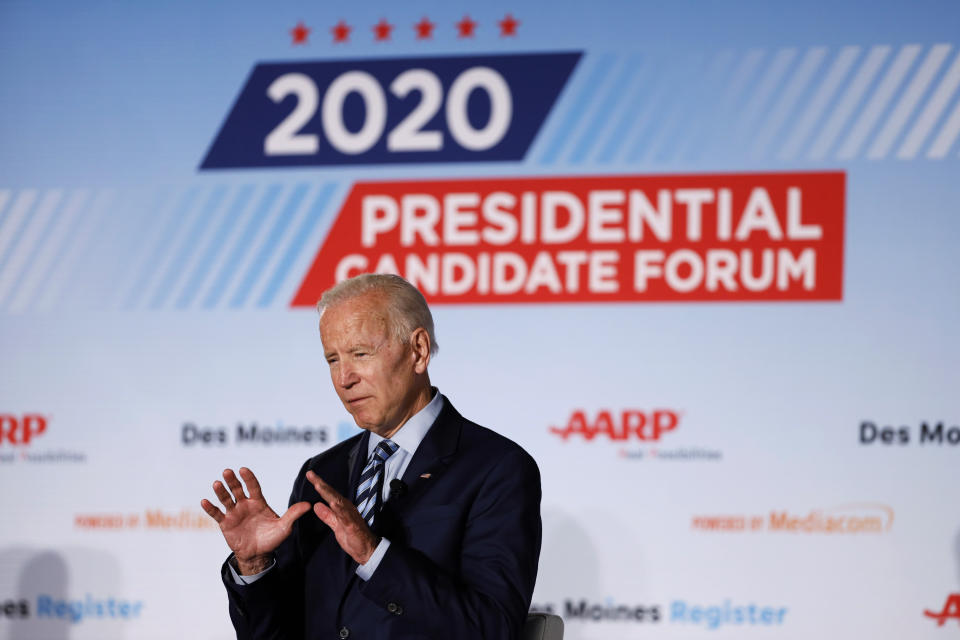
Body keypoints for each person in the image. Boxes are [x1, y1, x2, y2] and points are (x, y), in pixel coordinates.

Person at [201, 273, 542, 639]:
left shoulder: (496, 468)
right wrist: (254, 566)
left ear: (418, 351)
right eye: (332, 359)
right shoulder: (322, 473)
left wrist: (375, 556)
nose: (344, 377)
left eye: (360, 354)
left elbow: (492, 628)